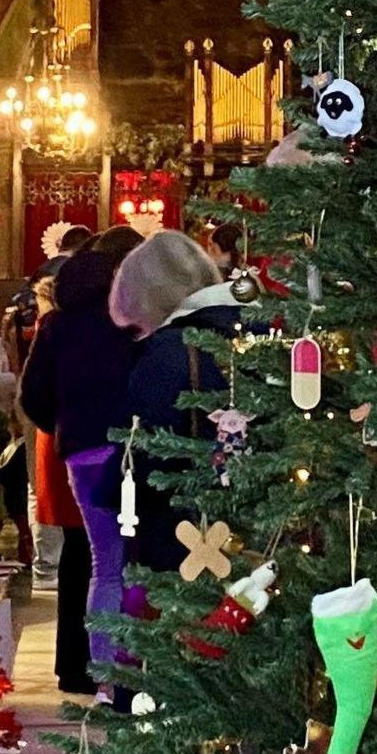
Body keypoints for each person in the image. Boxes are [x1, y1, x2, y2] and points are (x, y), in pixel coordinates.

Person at [20, 222, 141, 699]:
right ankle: (137, 674)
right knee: (138, 563)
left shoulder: (58, 322)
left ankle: (106, 678)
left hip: (85, 453)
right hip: (137, 446)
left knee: (105, 565)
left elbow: (34, 397)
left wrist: (69, 427)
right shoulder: (134, 315)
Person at [110, 228, 244, 581]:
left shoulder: (168, 352)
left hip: (180, 537)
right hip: (257, 533)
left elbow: (144, 452)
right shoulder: (255, 331)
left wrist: (109, 485)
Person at [0, 294, 36, 571]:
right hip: (5, 424)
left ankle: (29, 536)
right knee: (9, 472)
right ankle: (23, 531)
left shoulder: (33, 347)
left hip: (27, 427)